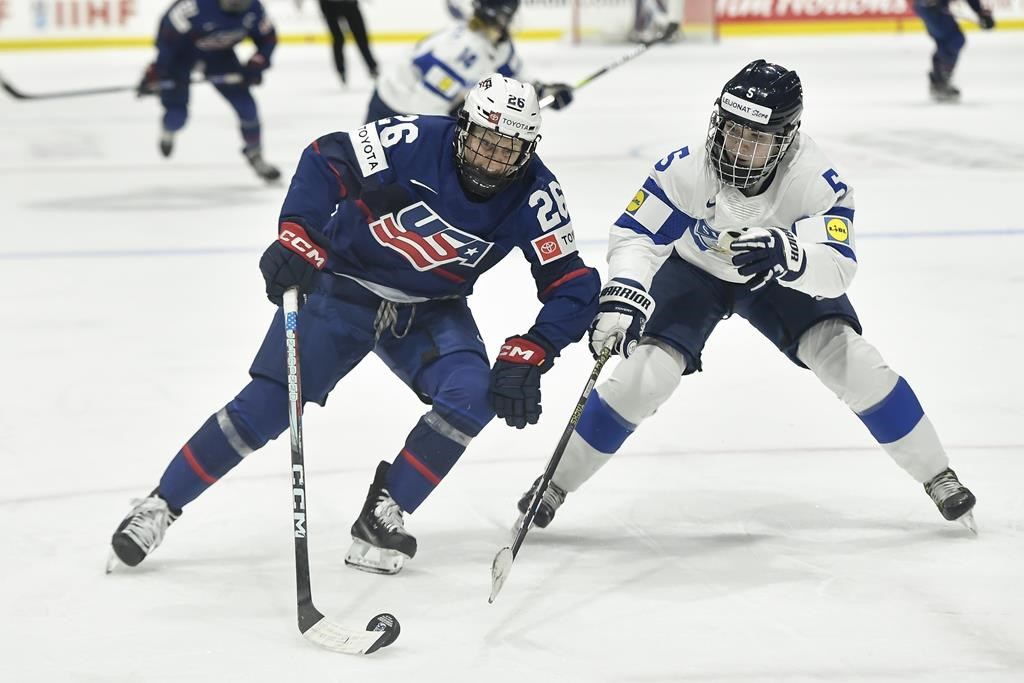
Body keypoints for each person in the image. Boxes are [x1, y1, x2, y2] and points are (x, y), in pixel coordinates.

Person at [108, 75, 600, 576]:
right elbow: (328, 157)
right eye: (483, 142)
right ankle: (159, 504)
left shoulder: (536, 194)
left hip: (431, 308)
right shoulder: (415, 140)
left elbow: (573, 283)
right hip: (341, 286)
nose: (491, 161)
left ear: (529, 149)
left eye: (508, 150)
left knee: (473, 392)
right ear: (461, 128)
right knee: (268, 405)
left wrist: (537, 346)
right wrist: (299, 233)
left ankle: (385, 513)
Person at [514, 60, 978, 534]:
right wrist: (626, 289)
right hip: (696, 270)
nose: (737, 147)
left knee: (850, 361)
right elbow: (637, 234)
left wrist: (793, 257)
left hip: (776, 276)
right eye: (732, 129)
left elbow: (838, 269)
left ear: (787, 138)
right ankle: (555, 483)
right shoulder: (687, 168)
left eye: (756, 138)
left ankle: (938, 473)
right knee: (645, 376)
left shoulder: (815, 183)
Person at [137, 0, 281, 182]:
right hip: (181, 57)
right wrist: (159, 71)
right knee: (176, 117)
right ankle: (168, 129)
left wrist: (256, 65)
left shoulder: (254, 8)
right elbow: (167, 39)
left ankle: (255, 154)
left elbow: (267, 39)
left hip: (220, 58)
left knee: (247, 108)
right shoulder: (192, 8)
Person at [367, 0, 573, 123]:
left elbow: (513, 80)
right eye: (506, 16)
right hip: (392, 107)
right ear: (494, 16)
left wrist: (544, 92)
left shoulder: (497, 43)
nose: (509, 21)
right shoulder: (463, 53)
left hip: (417, 103)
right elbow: (424, 107)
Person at [912, 0, 995, 102]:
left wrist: (980, 11)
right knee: (954, 40)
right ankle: (940, 79)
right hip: (928, 7)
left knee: (947, 42)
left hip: (932, 6)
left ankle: (939, 80)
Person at [300, 0, 378, 85]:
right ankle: (341, 70)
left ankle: (372, 67)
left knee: (360, 37)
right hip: (329, 5)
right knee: (338, 38)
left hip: (348, 4)